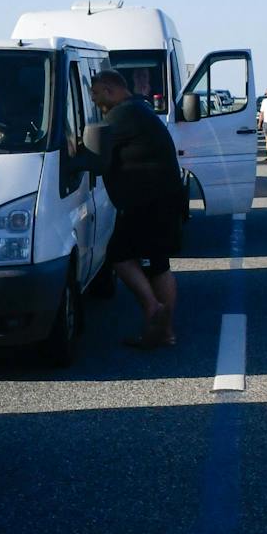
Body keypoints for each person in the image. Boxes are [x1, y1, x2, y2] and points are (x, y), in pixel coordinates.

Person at [90, 69, 181, 348]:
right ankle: (164, 331)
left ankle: (154, 309)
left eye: (94, 94)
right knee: (158, 263)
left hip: (146, 201)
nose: (94, 101)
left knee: (119, 254)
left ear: (109, 90)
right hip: (162, 198)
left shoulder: (121, 115)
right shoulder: (140, 109)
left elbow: (92, 153)